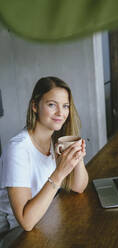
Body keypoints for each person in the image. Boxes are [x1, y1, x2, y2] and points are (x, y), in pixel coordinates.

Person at [0, 76, 88, 236]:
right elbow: (26, 222)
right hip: (15, 232)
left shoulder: (56, 140)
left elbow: (78, 187)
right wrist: (59, 173)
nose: (61, 113)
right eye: (52, 105)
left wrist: (78, 155)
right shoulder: (18, 149)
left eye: (65, 106)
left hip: (47, 217)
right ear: (35, 106)